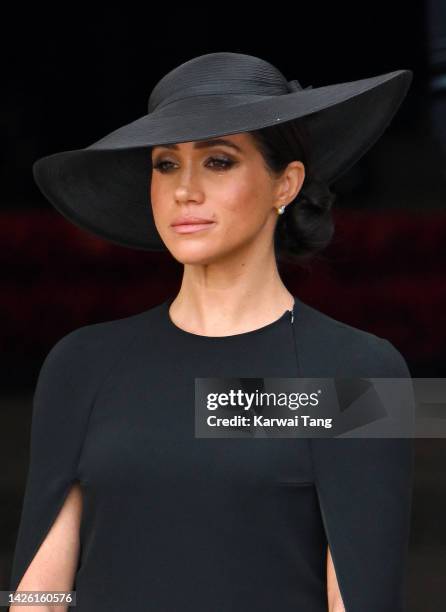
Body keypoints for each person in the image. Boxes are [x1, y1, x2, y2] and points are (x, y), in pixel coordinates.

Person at [9, 52, 414, 611]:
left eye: (218, 161)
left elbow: (360, 596)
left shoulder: (360, 373)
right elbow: (39, 594)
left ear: (285, 184)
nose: (184, 190)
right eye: (166, 164)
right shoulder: (82, 364)